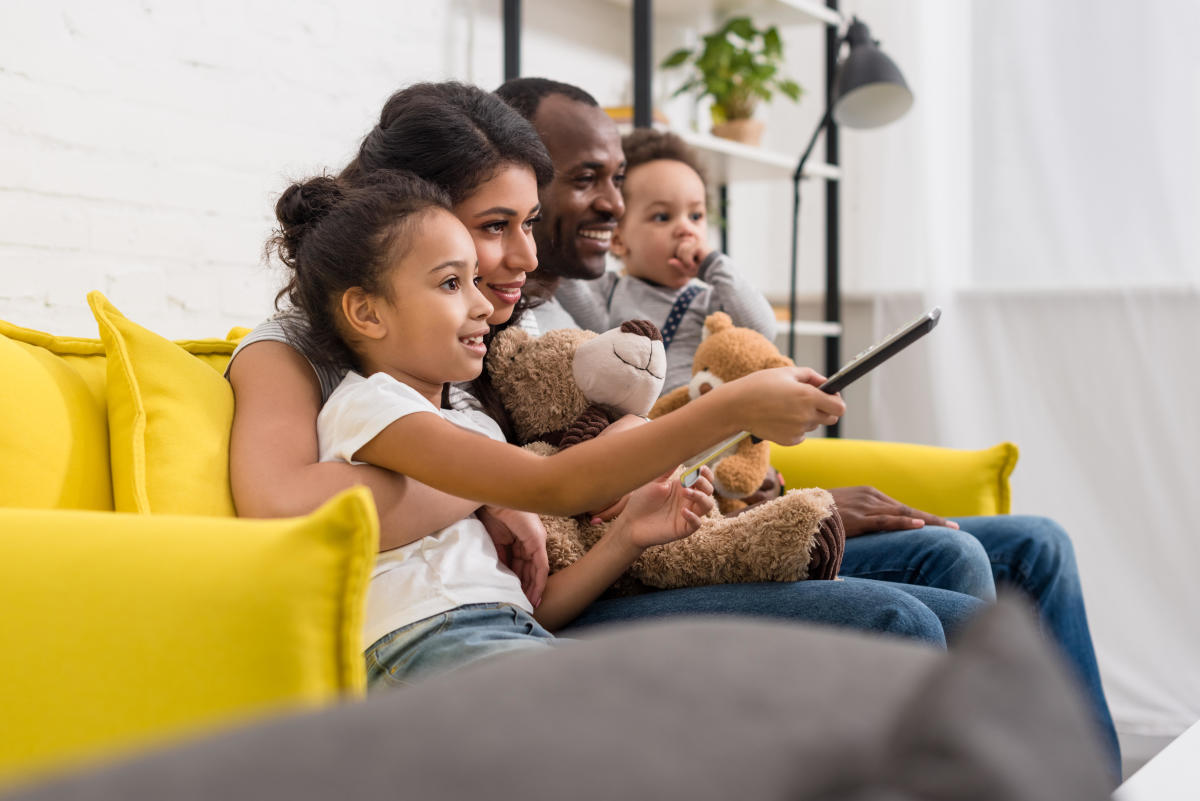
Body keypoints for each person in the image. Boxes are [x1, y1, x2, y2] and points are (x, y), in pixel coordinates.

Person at [494, 76, 1121, 775]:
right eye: (588, 180)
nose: (611, 203)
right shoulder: (517, 318)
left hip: (697, 517)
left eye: (617, 180)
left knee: (1031, 543)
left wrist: (767, 488)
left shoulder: (572, 295)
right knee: (937, 584)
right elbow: (581, 478)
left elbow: (657, 427)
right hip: (642, 555)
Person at [228, 81, 985, 660]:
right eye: (496, 227)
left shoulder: (478, 336)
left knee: (963, 607)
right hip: (487, 624)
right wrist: (493, 483)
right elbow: (283, 510)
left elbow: (561, 467)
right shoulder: (299, 351)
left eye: (527, 222)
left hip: (554, 591)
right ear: (410, 219)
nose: (526, 257)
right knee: (905, 619)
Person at [268, 169, 727, 683]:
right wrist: (729, 411)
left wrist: (630, 534)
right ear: (367, 312)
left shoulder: (473, 425)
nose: (484, 305)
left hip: (503, 634)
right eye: (450, 283)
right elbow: (552, 483)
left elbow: (534, 606)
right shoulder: (371, 407)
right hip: (425, 640)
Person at [556, 127, 776, 394]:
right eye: (662, 217)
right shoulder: (609, 291)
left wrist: (713, 264)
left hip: (698, 421)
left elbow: (762, 330)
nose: (686, 229)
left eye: (695, 216)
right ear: (618, 239)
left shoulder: (708, 301)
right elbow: (563, 274)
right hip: (638, 428)